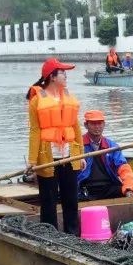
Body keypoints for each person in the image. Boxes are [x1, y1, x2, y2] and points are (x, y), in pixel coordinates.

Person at [27, 57, 84, 235]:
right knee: (49, 201)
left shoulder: (68, 97)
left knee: (71, 200)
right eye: (63, 73)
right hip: (48, 159)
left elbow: (75, 128)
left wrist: (81, 155)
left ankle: (72, 236)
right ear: (52, 76)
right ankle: (49, 236)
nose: (66, 77)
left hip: (69, 157)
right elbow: (35, 131)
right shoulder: (36, 100)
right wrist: (32, 161)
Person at [77, 110, 133, 201]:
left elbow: (124, 168)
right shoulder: (77, 146)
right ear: (86, 125)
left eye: (100, 123)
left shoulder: (111, 146)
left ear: (104, 124)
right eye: (93, 124)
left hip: (108, 188)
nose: (97, 127)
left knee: (125, 191)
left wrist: (129, 188)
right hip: (85, 190)